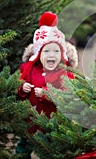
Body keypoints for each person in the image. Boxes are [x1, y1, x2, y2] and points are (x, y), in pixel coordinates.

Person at [16, 11, 78, 158]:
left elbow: (67, 93)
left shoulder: (64, 73)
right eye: (46, 51)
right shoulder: (28, 69)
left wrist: (47, 93)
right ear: (38, 54)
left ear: (62, 54)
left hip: (52, 124)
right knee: (23, 148)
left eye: (56, 51)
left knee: (50, 151)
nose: (51, 55)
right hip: (29, 122)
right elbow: (16, 84)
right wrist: (22, 88)